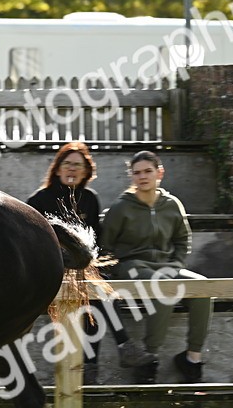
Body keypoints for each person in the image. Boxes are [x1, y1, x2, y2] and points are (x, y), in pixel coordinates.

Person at [26, 142, 155, 381]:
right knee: (94, 291)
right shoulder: (39, 201)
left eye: (78, 165)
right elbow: (29, 245)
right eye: (67, 164)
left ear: (87, 171)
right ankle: (121, 347)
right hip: (48, 274)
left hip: (84, 273)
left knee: (94, 293)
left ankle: (91, 371)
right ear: (57, 168)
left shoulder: (90, 199)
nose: (72, 169)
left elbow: (96, 242)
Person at [99, 150, 212, 383]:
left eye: (148, 171)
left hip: (165, 266)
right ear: (131, 176)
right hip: (130, 266)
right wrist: (115, 272)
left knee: (203, 287)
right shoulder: (122, 207)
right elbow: (105, 246)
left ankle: (192, 358)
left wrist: (177, 264)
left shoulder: (172, 205)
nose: (142, 177)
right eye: (137, 172)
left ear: (159, 173)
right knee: (165, 285)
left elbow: (183, 240)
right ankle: (149, 358)